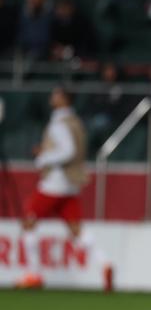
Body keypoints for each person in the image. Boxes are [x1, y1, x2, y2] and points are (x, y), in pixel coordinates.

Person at [17, 88, 112, 291]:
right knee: (76, 228)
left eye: (56, 95)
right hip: (70, 183)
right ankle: (104, 263)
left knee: (28, 221)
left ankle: (33, 274)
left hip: (55, 181)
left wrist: (43, 157)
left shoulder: (59, 123)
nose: (52, 97)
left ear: (64, 99)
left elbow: (67, 151)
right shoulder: (76, 122)